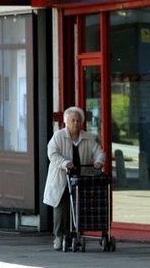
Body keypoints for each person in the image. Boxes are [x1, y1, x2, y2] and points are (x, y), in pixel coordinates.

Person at [43, 106, 105, 251]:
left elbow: (99, 152)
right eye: (72, 120)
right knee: (61, 207)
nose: (76, 123)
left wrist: (99, 161)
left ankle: (75, 235)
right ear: (66, 122)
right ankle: (59, 237)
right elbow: (52, 154)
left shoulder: (88, 137)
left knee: (79, 208)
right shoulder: (59, 136)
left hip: (81, 178)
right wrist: (65, 163)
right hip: (62, 177)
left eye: (78, 120)